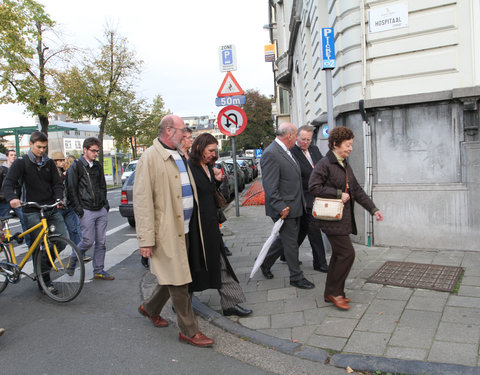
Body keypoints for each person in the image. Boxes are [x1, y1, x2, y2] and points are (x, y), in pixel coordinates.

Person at [134, 114, 214, 347]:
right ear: (169, 131)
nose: (186, 134)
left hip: (186, 228)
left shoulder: (179, 154)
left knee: (174, 274)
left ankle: (149, 308)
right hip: (166, 231)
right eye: (182, 130)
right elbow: (142, 201)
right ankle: (189, 331)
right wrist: (146, 240)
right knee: (179, 280)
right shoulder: (150, 158)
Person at [309, 126, 384, 310]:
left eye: (351, 145)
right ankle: (335, 293)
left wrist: (373, 209)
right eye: (347, 145)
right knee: (347, 254)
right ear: (335, 144)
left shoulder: (343, 163)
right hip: (330, 219)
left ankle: (332, 292)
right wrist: (337, 194)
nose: (350, 148)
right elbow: (313, 187)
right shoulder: (325, 164)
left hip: (342, 218)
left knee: (339, 255)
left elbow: (356, 190)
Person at [187, 133, 252, 317]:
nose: (213, 154)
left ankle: (230, 303)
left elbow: (210, 193)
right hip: (196, 227)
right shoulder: (189, 168)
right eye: (210, 150)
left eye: (215, 150)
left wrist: (216, 180)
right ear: (199, 148)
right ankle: (181, 303)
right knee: (193, 264)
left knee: (220, 263)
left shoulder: (208, 166)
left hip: (210, 224)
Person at [2, 131, 69, 292]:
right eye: (39, 147)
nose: (41, 151)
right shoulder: (21, 163)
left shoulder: (49, 163)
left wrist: (59, 198)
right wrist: (12, 198)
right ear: (31, 145)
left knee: (61, 240)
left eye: (44, 148)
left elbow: (57, 184)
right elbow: (8, 183)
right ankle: (44, 279)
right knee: (38, 246)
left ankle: (41, 269)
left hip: (50, 208)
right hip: (31, 209)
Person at [259, 123, 315, 290]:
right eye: (297, 135)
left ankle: (264, 262)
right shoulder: (272, 153)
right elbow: (270, 186)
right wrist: (280, 206)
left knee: (285, 240)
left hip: (295, 205)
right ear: (290, 136)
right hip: (284, 208)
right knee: (290, 242)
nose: (298, 138)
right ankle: (296, 277)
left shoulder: (284, 150)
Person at [67, 137, 112, 280]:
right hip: (86, 209)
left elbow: (102, 186)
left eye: (97, 151)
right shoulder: (76, 166)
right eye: (93, 151)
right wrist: (79, 209)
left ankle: (98, 270)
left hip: (100, 208)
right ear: (85, 150)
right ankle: (73, 259)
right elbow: (71, 190)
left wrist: (105, 204)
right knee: (87, 241)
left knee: (101, 242)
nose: (95, 154)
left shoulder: (97, 166)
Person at [288, 125, 328, 272]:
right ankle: (320, 263)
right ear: (296, 137)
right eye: (303, 139)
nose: (305, 142)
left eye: (308, 140)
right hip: (304, 198)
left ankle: (284, 254)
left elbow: (324, 165)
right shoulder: (291, 153)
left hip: (318, 196)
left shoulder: (314, 149)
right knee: (314, 231)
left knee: (302, 231)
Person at [51, 151, 83, 246]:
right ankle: (51, 254)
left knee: (74, 230)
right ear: (55, 162)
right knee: (58, 233)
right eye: (60, 160)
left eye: (63, 160)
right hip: (57, 207)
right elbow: (54, 187)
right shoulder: (53, 174)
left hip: (67, 205)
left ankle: (79, 253)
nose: (63, 162)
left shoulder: (65, 172)